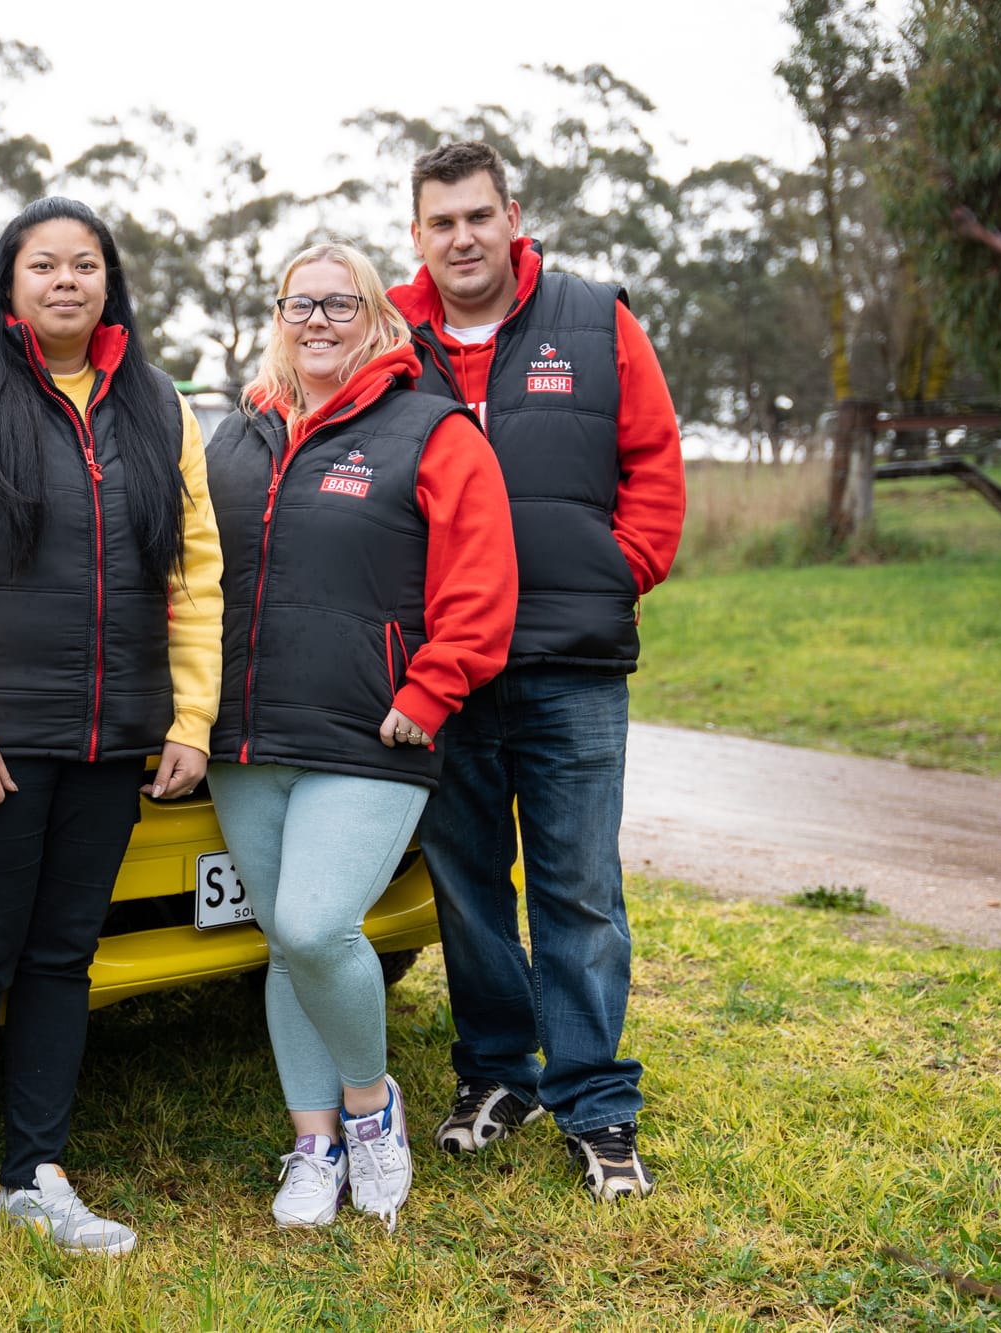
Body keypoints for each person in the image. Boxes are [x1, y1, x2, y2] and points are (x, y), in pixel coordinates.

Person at [0, 196, 223, 1277]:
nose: (66, 281)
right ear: (7, 281)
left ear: (109, 282)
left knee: (64, 959)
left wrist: (188, 716)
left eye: (85, 265)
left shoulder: (159, 407)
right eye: (42, 265)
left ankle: (36, 1176)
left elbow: (193, 573)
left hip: (112, 741)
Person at [390, 141, 685, 1202]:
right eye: (440, 222)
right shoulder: (389, 331)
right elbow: (310, 392)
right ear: (415, 232)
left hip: (571, 666)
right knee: (466, 888)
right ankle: (491, 1075)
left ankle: (595, 1103)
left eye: (478, 217)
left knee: (577, 891)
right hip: (440, 671)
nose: (462, 238)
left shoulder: (592, 319)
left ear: (511, 216)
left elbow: (653, 462)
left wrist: (619, 567)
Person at [204, 243, 517, 1229]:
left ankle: (371, 1108)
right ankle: (311, 1147)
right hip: (241, 737)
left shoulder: (429, 430)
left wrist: (427, 692)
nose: (318, 320)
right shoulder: (236, 436)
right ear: (278, 316)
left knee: (312, 925)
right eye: (300, 303)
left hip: (368, 735)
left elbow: (480, 586)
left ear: (375, 316)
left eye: (340, 303)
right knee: (283, 944)